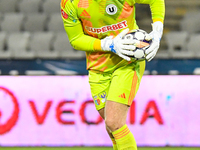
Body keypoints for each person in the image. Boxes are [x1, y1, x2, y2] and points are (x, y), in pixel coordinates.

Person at [60, 0, 165, 149]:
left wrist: (157, 30)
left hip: (127, 62)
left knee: (114, 122)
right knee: (111, 127)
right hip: (98, 68)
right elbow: (76, 39)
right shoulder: (70, 3)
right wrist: (107, 45)